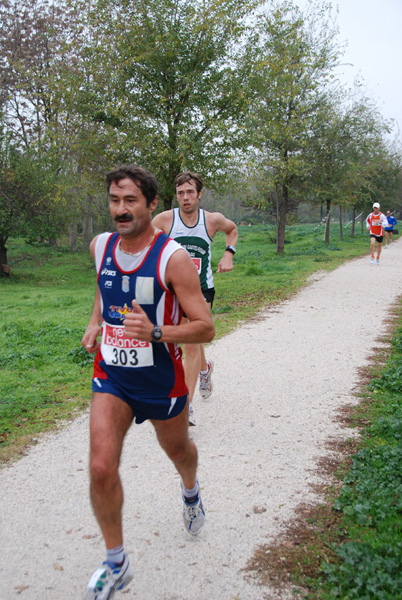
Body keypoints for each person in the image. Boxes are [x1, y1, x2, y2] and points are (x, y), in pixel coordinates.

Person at [80, 165, 215, 600]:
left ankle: (191, 492)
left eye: (130, 201)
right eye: (115, 201)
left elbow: (205, 327)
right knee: (101, 466)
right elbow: (104, 288)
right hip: (113, 375)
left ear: (152, 205)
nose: (121, 210)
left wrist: (156, 332)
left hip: (161, 378)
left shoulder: (172, 258)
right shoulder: (100, 246)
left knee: (179, 453)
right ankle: (116, 563)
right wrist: (95, 321)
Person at [152, 171, 238, 425]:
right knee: (188, 340)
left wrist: (228, 254)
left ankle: (184, 408)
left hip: (202, 290)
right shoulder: (165, 220)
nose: (185, 197)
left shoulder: (211, 220)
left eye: (190, 192)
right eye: (180, 193)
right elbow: (145, 241)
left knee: (189, 343)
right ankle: (204, 369)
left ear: (199, 194)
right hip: (173, 291)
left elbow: (232, 230)